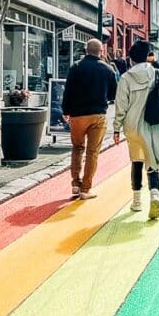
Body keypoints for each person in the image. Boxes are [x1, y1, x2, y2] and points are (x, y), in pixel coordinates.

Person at [113, 39, 159, 219]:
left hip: (133, 126)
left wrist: (116, 128)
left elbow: (120, 105)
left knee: (136, 161)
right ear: (148, 57)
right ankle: (155, 195)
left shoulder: (126, 77)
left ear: (131, 58)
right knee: (153, 161)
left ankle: (137, 201)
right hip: (154, 124)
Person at [62, 38, 117, 199]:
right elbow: (114, 94)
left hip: (77, 115)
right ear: (101, 52)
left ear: (86, 50)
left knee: (77, 148)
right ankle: (86, 188)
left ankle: (75, 184)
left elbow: (68, 91)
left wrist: (66, 110)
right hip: (98, 114)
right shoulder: (108, 69)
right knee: (92, 152)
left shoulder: (75, 67)